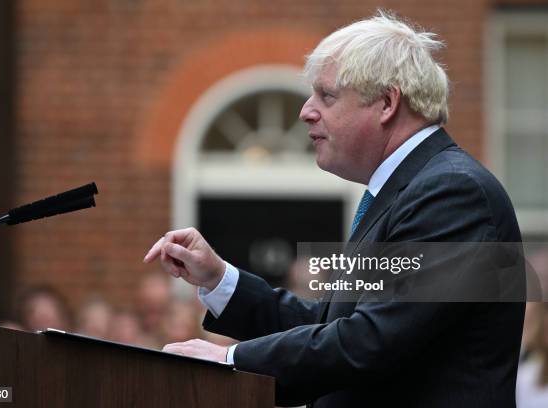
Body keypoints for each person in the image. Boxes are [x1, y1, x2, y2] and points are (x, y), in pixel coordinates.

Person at [144, 10, 524, 407]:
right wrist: (221, 280)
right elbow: (331, 327)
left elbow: (369, 341)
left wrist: (229, 359)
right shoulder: (407, 189)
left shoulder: (451, 193)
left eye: (326, 95)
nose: (306, 110)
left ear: (386, 103)